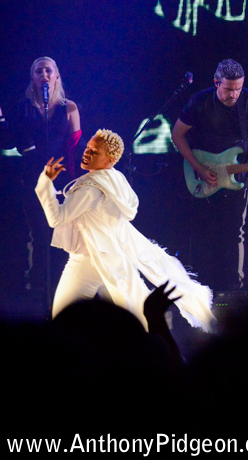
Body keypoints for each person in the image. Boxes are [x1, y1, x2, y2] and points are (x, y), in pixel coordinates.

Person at [36, 129, 215, 330]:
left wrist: (45, 183)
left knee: (62, 317)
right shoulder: (115, 178)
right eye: (88, 148)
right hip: (111, 258)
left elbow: (56, 218)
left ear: (109, 160)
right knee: (129, 316)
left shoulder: (91, 188)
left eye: (95, 152)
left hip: (88, 261)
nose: (87, 153)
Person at [171, 59, 248, 290]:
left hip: (238, 176)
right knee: (201, 232)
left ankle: (233, 289)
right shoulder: (199, 101)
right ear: (216, 82)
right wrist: (198, 166)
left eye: (238, 88)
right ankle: (197, 288)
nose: (234, 94)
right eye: (228, 89)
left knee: (235, 233)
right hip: (202, 172)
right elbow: (177, 135)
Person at [0, 57, 81, 292]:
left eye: (49, 70)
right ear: (33, 78)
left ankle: (64, 286)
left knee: (63, 233)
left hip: (63, 180)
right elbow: (9, 141)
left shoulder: (68, 107)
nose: (44, 75)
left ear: (56, 75)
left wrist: (79, 179)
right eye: (39, 71)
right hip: (32, 179)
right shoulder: (24, 108)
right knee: (39, 234)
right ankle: (39, 286)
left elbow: (75, 146)